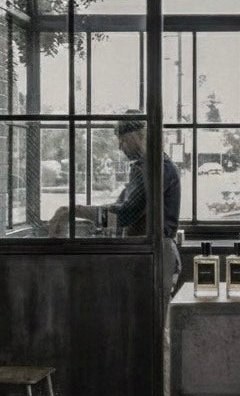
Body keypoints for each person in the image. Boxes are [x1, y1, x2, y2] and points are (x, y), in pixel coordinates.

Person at [48, 113, 181, 298]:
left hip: (154, 254)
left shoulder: (156, 168)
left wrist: (72, 211)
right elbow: (119, 212)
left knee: (148, 314)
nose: (119, 146)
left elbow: (123, 215)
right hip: (147, 253)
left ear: (139, 135)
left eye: (122, 139)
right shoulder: (147, 167)